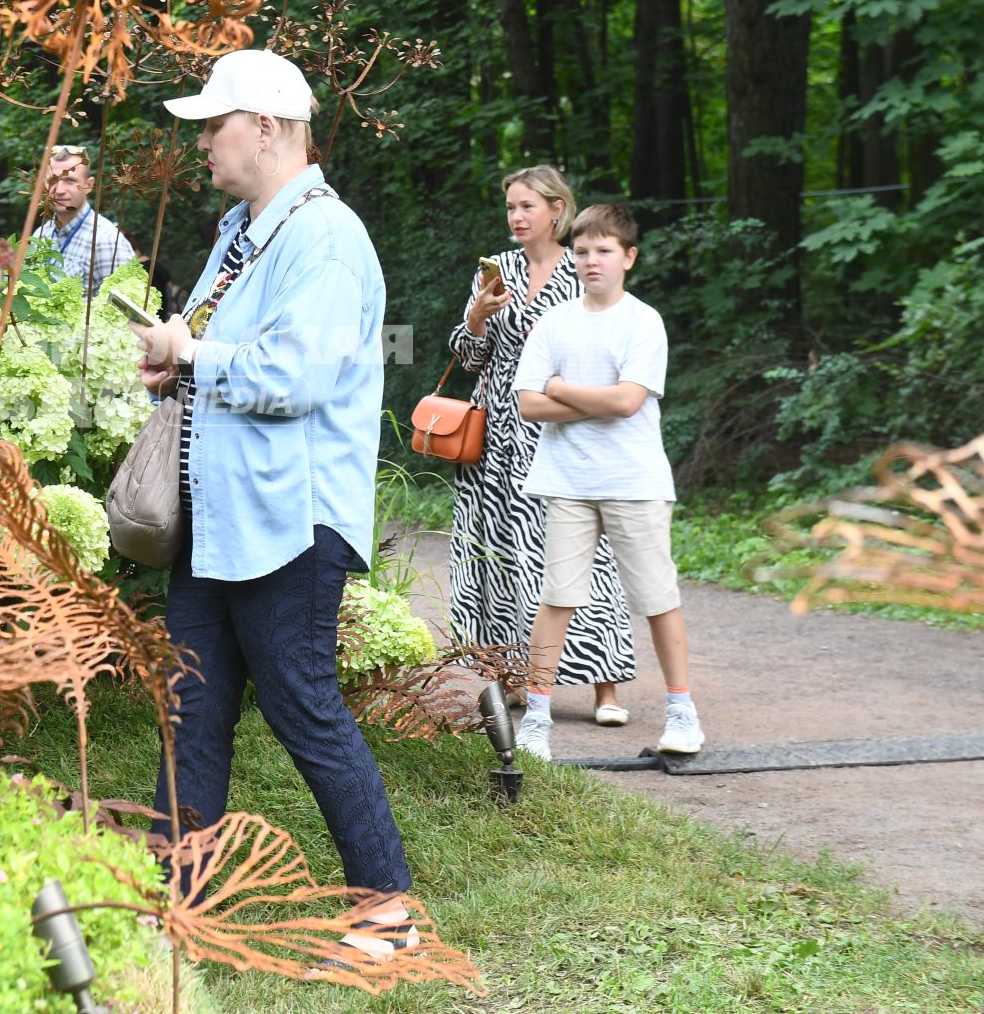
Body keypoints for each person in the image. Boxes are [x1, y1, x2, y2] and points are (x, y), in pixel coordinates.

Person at [128, 48, 413, 922]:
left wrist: (193, 354)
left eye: (214, 125)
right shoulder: (241, 229)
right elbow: (221, 351)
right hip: (220, 520)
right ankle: (181, 901)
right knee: (191, 708)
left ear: (268, 129)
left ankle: (386, 911)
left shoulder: (324, 235)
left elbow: (294, 379)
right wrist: (175, 356)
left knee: (304, 711)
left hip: (289, 521)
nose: (203, 143)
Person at [511, 202, 703, 761]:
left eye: (603, 251)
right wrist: (586, 397)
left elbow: (627, 402)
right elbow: (527, 404)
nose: (591, 261)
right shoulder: (556, 321)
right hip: (567, 481)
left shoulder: (644, 321)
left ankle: (682, 714)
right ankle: (538, 720)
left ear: (629, 257)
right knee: (558, 597)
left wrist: (563, 388)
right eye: (582, 252)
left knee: (657, 598)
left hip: (634, 481)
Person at [446, 166, 637, 723]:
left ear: (558, 210)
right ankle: (513, 678)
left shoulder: (581, 270)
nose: (516, 217)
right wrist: (477, 320)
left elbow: (602, 345)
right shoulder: (495, 270)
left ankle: (606, 686)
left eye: (527, 206)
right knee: (502, 553)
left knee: (581, 552)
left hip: (557, 424)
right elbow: (469, 356)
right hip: (494, 434)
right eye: (510, 207)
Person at [32, 144, 137, 297]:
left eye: (69, 180)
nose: (59, 190)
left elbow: (127, 314)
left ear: (89, 185)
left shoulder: (107, 240)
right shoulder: (40, 235)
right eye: (53, 180)